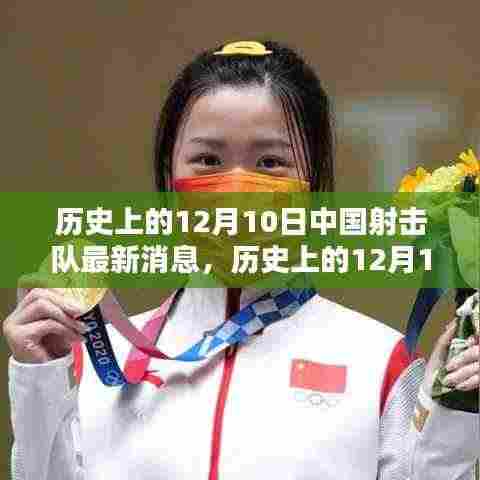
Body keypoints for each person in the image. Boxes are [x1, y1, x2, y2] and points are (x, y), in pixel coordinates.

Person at [3, 40, 479, 480]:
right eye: (208, 161)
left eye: (270, 162)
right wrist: (39, 380)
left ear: (313, 181)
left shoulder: (379, 361)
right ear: (170, 176)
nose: (235, 190)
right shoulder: (97, 358)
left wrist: (456, 412)